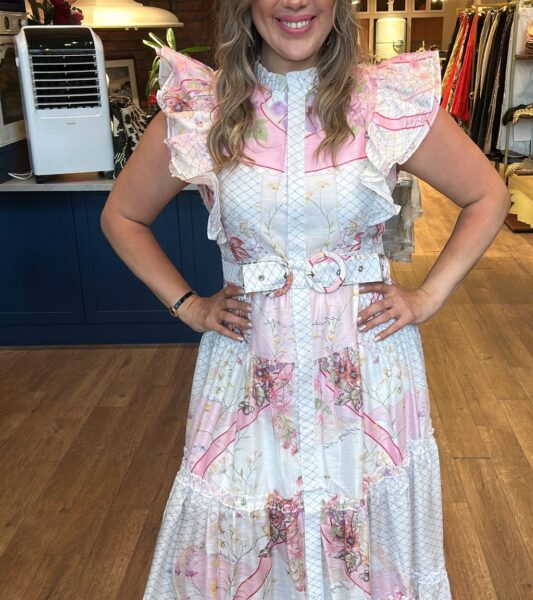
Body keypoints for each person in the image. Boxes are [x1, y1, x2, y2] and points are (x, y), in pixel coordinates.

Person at [100, 0, 511, 598]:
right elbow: (123, 216)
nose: (295, 3)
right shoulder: (203, 107)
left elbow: (487, 196)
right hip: (248, 368)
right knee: (242, 526)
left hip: (366, 367)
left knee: (365, 536)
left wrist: (428, 296)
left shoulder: (383, 102)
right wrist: (189, 305)